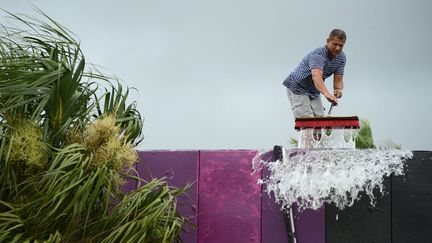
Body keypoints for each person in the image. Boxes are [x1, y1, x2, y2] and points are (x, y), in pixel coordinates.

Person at [283, 29, 346, 118]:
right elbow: (316, 77)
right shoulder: (318, 55)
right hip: (297, 87)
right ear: (328, 41)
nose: (337, 48)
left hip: (314, 91)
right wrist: (327, 94)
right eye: (335, 44)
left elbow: (339, 79)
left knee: (320, 121)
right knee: (308, 121)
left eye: (341, 45)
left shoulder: (341, 58)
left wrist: (338, 89)